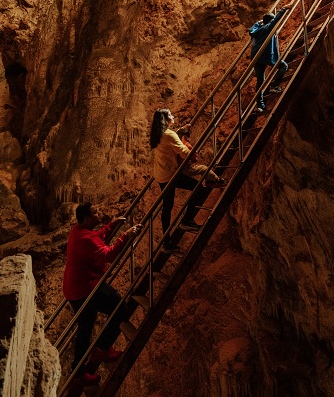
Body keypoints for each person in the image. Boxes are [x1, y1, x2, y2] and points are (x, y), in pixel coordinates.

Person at [62, 203, 141, 385]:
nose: (99, 213)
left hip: (76, 288)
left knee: (86, 327)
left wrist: (112, 225)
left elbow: (96, 238)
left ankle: (79, 372)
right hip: (86, 288)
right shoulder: (85, 238)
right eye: (95, 212)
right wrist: (126, 236)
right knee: (119, 307)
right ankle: (102, 349)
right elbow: (109, 254)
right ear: (88, 218)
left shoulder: (79, 231)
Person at [150, 108, 225, 239]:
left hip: (160, 174)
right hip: (170, 175)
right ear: (166, 119)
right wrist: (193, 151)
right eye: (170, 115)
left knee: (167, 207)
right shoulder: (169, 134)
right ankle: (187, 221)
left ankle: (166, 242)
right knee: (198, 189)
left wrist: (179, 132)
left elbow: (170, 141)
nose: (173, 116)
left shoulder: (157, 134)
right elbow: (183, 152)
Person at [249, 7, 289, 113]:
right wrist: (283, 9)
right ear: (270, 21)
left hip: (256, 58)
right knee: (283, 66)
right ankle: (274, 86)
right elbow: (276, 20)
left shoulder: (257, 30)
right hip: (265, 55)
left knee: (260, 81)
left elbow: (251, 31)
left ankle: (259, 105)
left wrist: (258, 22)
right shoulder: (268, 28)